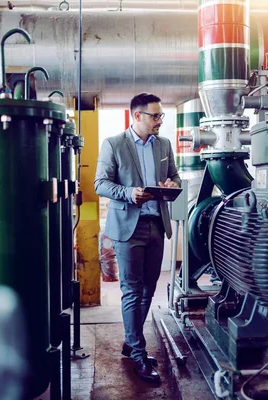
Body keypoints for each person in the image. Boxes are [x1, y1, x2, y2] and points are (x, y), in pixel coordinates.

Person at [94, 92, 181, 383]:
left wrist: (171, 184)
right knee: (132, 291)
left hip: (157, 225)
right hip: (128, 228)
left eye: (161, 116)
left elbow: (176, 177)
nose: (159, 121)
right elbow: (100, 184)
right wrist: (129, 193)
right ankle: (139, 353)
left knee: (148, 289)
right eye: (155, 116)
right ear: (137, 116)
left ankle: (132, 342)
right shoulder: (114, 144)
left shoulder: (165, 145)